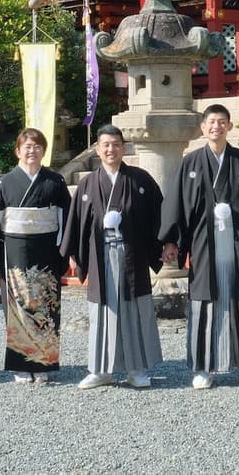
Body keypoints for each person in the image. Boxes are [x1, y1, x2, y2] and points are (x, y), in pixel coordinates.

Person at [159, 104, 239, 390]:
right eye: (211, 122)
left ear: (229, 127)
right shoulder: (191, 163)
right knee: (204, 302)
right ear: (203, 127)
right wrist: (171, 240)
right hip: (204, 241)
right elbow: (175, 202)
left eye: (222, 122)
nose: (216, 127)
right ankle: (203, 367)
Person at [61, 125, 164, 390]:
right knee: (102, 311)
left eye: (116, 144)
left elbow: (158, 216)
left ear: (124, 148)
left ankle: (136, 369)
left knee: (133, 310)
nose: (111, 149)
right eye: (105, 144)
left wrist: (166, 244)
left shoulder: (140, 180)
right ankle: (100, 369)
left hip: (133, 256)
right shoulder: (87, 183)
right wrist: (74, 251)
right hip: (100, 255)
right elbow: (77, 221)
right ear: (97, 148)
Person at [0, 127, 71, 382]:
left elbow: (69, 219)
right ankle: (21, 363)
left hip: (46, 250)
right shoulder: (6, 182)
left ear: (44, 151)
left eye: (37, 146)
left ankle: (43, 364)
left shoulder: (55, 181)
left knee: (45, 305)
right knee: (17, 306)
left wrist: (68, 250)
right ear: (18, 150)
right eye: (27, 146)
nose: (32, 151)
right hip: (13, 251)